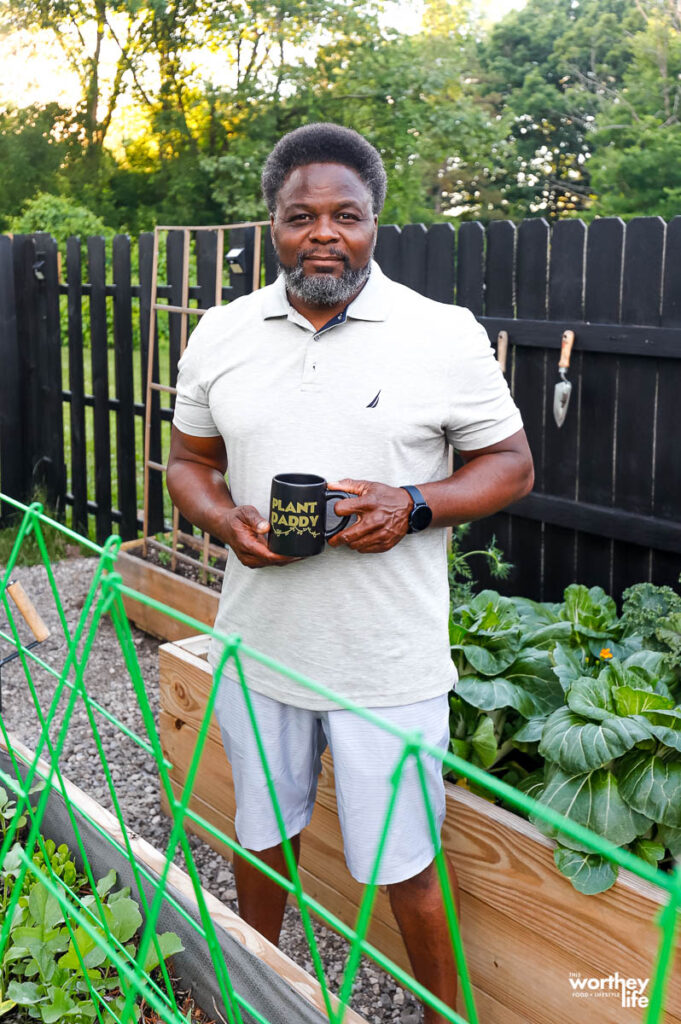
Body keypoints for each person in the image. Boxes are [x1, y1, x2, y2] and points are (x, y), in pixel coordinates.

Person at [166, 122, 534, 1023]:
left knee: (406, 866)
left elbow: (511, 465)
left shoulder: (439, 333)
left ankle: (441, 1015)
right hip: (260, 648)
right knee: (261, 839)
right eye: (301, 217)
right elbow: (187, 463)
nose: (323, 233)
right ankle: (252, 996)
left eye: (346, 215)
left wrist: (412, 504)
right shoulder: (221, 332)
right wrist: (224, 519)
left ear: (374, 222)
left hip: (387, 661)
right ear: (272, 224)